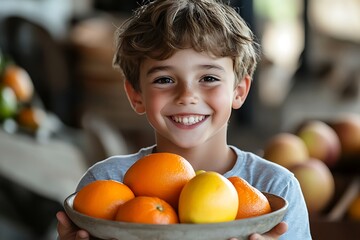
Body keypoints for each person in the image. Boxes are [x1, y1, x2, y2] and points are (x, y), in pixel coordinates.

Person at [56, 0, 312, 239]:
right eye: (164, 80)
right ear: (136, 95)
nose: (187, 96)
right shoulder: (105, 182)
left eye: (209, 78)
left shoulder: (277, 188)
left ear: (239, 91)